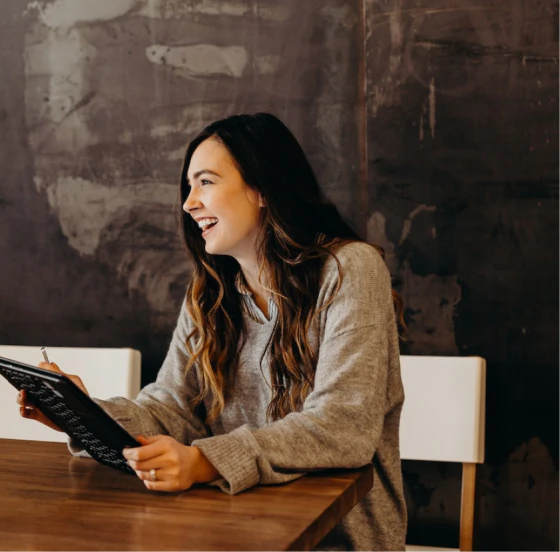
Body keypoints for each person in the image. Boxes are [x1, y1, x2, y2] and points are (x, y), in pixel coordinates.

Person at [17, 113, 407, 551]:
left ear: (262, 188)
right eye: (188, 186)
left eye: (205, 182)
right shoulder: (210, 294)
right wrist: (84, 415)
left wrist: (204, 462)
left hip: (334, 539)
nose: (188, 203)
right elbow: (171, 410)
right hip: (228, 529)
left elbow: (342, 427)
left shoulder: (349, 270)